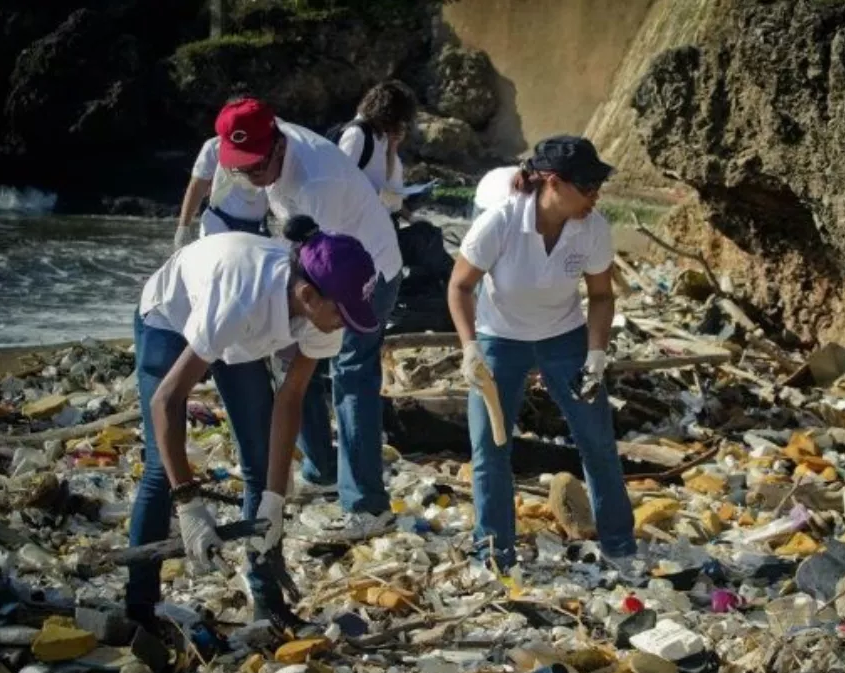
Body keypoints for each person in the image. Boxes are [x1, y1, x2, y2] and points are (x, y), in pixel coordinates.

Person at [127, 215, 378, 630]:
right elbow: (166, 401)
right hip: (172, 314)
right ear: (308, 295)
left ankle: (267, 600)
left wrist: (275, 500)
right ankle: (140, 608)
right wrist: (189, 503)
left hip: (241, 335)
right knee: (160, 468)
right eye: (343, 313)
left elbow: (290, 398)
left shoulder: (326, 312)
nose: (345, 324)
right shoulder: (240, 296)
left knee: (260, 466)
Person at [447, 135, 637, 570]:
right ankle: (494, 551)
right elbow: (459, 285)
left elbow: (602, 296)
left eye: (597, 186)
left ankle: (620, 544)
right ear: (552, 182)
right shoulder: (502, 221)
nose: (595, 195)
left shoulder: (593, 228)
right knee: (490, 447)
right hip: (500, 339)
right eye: (587, 186)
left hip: (564, 338)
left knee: (597, 440)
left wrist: (595, 355)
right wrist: (470, 348)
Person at [213, 97, 403, 530]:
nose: (251, 176)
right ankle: (320, 469)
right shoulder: (258, 136)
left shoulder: (316, 183)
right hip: (319, 265)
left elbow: (318, 268)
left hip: (365, 272)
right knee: (297, 365)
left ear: (278, 145)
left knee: (351, 376)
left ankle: (367, 507)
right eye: (241, 167)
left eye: (258, 167)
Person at [339, 80, 453, 299]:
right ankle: (457, 292)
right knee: (427, 243)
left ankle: (446, 293)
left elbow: (389, 186)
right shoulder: (357, 136)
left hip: (382, 227)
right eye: (400, 119)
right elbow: (340, 185)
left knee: (428, 235)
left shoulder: (381, 138)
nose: (402, 126)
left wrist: (392, 149)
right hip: (363, 237)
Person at [173, 99, 270, 249]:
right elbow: (197, 187)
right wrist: (183, 227)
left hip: (257, 225)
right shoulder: (213, 147)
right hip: (219, 221)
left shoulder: (271, 150)